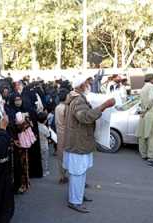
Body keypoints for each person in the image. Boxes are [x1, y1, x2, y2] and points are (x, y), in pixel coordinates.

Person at [63, 75, 115, 213]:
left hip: (79, 141)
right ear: (81, 85)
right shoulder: (78, 100)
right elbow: (84, 117)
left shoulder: (77, 97)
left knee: (80, 172)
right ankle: (75, 201)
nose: (90, 84)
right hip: (78, 143)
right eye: (88, 82)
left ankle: (78, 196)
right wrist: (103, 106)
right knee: (77, 173)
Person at [6, 92, 32, 193]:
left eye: (19, 99)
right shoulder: (10, 111)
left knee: (24, 162)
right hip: (17, 141)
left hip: (24, 140)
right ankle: (19, 185)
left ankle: (25, 183)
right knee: (19, 164)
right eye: (16, 100)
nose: (18, 101)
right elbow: (13, 127)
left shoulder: (23, 109)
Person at [54, 89, 70, 184]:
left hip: (59, 132)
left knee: (61, 155)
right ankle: (64, 175)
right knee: (67, 154)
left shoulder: (57, 107)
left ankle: (61, 176)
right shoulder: (66, 108)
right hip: (66, 133)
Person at [37, 112, 53, 177]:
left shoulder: (36, 126)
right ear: (45, 120)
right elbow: (48, 135)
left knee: (40, 159)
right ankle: (45, 171)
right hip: (44, 146)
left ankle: (39, 171)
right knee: (45, 159)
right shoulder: (44, 128)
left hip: (39, 145)